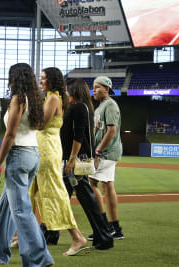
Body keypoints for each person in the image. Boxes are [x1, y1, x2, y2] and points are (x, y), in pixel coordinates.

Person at [0, 63, 54, 267]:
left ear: (14, 78)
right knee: (7, 207)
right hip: (32, 154)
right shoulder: (36, 99)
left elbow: (10, 134)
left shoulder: (18, 99)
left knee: (21, 210)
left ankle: (39, 258)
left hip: (19, 155)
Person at [29, 67, 88, 256]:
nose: (41, 81)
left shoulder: (53, 98)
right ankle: (25, 236)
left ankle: (77, 236)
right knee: (30, 192)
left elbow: (40, 124)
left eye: (44, 78)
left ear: (52, 80)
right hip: (43, 148)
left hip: (47, 150)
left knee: (54, 193)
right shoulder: (52, 97)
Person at [60, 78, 114, 250]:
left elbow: (78, 136)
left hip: (77, 160)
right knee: (62, 197)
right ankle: (49, 233)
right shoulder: (82, 107)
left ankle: (104, 238)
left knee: (86, 199)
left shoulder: (79, 107)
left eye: (68, 90)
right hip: (77, 159)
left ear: (74, 91)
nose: (66, 93)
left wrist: (71, 159)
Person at [89, 76, 124, 240]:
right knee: (107, 186)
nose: (94, 90)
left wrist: (97, 152)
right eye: (93, 87)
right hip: (107, 152)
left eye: (97, 87)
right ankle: (114, 227)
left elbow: (111, 131)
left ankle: (103, 226)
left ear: (107, 89)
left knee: (91, 184)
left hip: (106, 152)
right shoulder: (101, 107)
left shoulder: (110, 105)